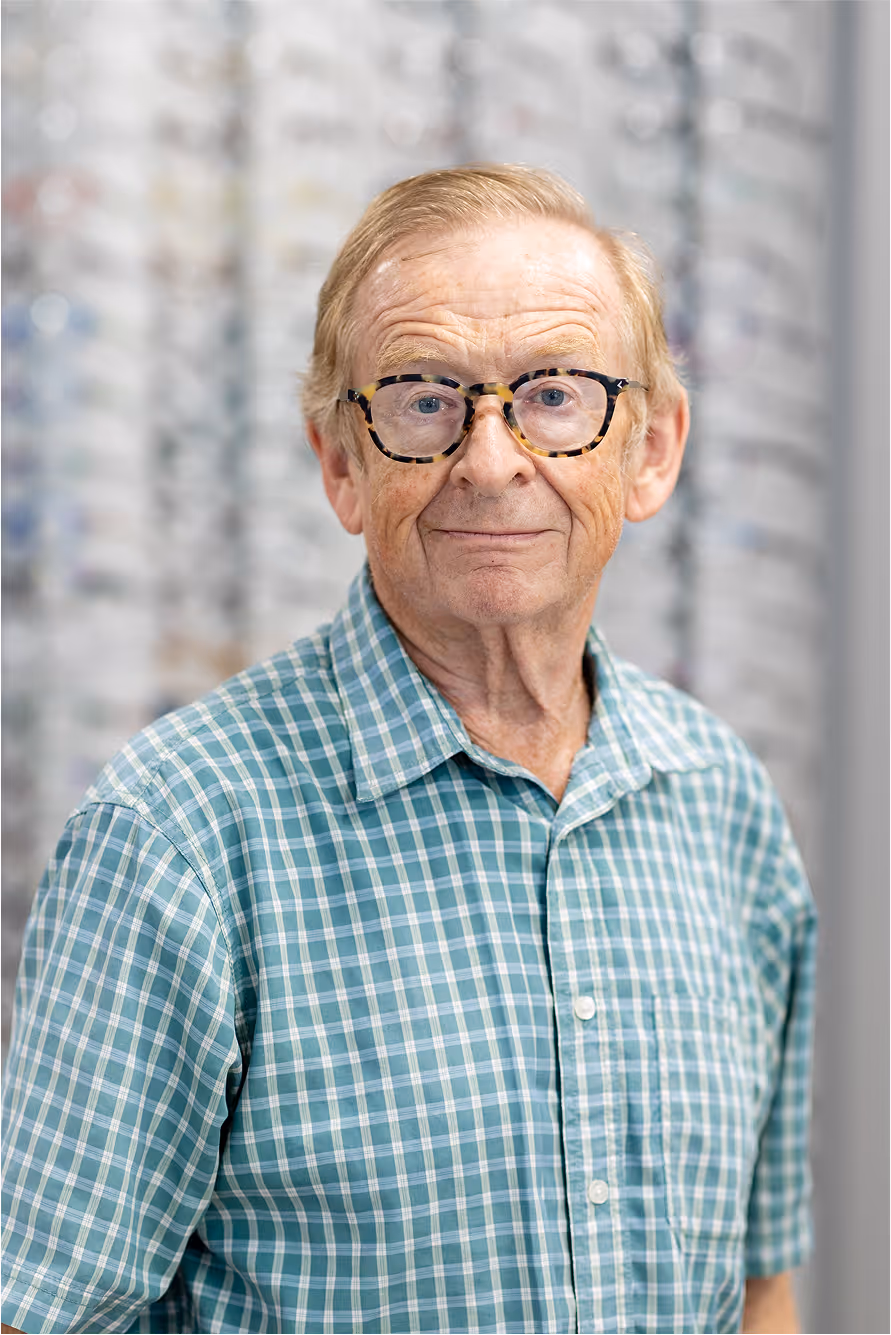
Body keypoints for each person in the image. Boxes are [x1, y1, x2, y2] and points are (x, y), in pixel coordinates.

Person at [1, 165, 816, 1335]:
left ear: (651, 451)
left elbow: (759, 1288)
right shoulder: (176, 834)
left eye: (555, 395)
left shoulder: (722, 802)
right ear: (343, 464)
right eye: (426, 400)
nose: (491, 461)